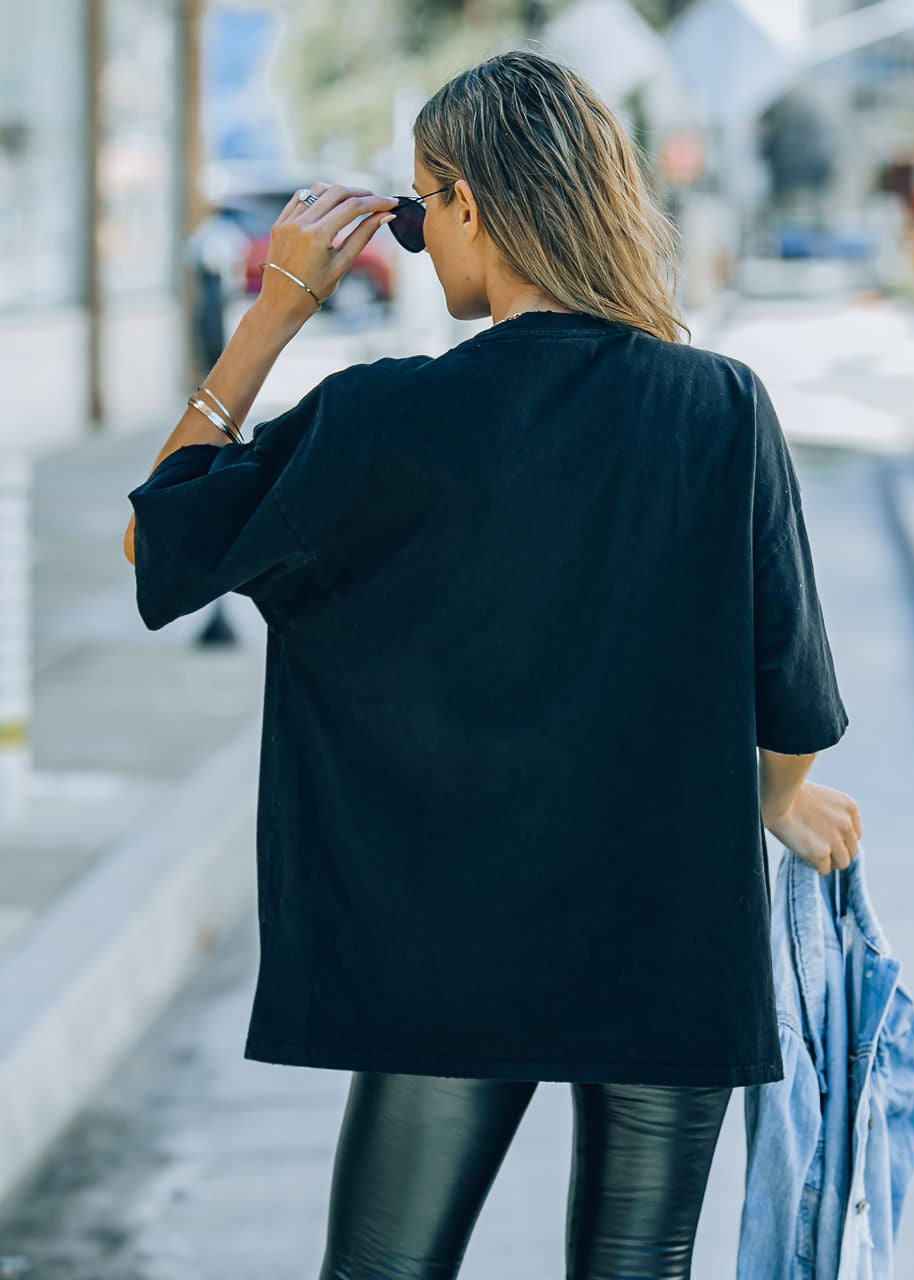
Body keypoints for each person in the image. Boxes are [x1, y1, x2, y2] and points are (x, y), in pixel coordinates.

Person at [124, 49, 862, 1280]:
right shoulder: (719, 407)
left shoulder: (377, 422)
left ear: (469, 202)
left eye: (417, 213)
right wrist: (777, 801)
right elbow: (790, 699)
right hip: (668, 942)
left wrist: (274, 310)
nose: (419, 243)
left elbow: (164, 538)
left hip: (442, 944)